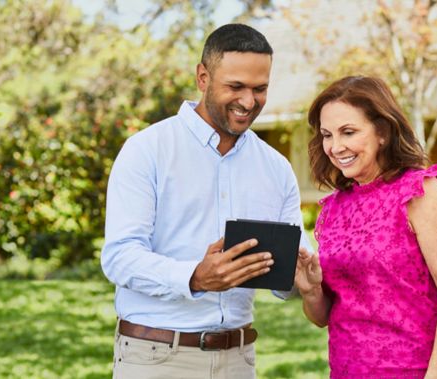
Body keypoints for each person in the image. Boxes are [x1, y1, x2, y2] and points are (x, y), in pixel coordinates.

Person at [101, 23, 311, 379]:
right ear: (203, 77)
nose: (249, 102)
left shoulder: (276, 168)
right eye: (236, 86)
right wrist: (195, 277)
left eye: (260, 89)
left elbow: (287, 273)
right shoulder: (147, 151)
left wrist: (298, 280)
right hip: (157, 359)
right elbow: (120, 257)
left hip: (239, 359)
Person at [295, 76, 437, 378]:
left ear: (382, 132)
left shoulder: (418, 192)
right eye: (327, 135)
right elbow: (325, 316)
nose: (335, 147)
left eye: (348, 132)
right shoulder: (334, 208)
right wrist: (311, 291)